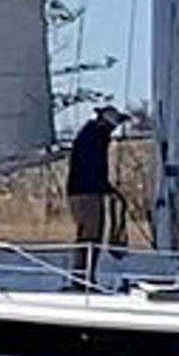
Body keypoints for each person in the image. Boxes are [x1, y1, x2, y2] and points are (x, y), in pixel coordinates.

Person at [67, 106, 124, 288]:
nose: (115, 129)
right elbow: (89, 168)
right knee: (89, 236)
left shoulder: (93, 135)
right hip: (85, 193)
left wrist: (106, 188)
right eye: (114, 124)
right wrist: (105, 187)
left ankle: (85, 278)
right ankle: (80, 279)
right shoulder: (93, 137)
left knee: (92, 235)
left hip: (87, 191)